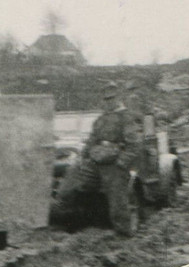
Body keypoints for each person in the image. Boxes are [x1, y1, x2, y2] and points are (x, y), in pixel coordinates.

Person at [53, 80, 143, 234]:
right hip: (95, 160)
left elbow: (134, 145)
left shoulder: (126, 118)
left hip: (114, 163)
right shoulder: (100, 120)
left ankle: (124, 233)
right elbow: (91, 141)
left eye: (112, 98)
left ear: (118, 98)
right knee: (71, 183)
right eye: (106, 99)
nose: (108, 102)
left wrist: (122, 163)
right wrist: (82, 158)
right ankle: (64, 219)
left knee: (117, 200)